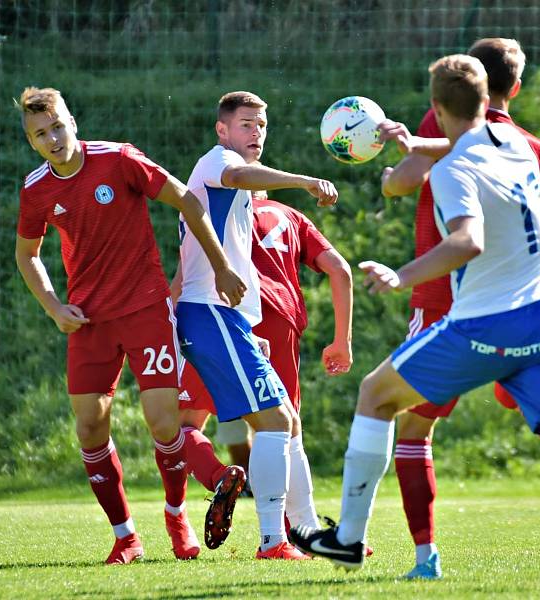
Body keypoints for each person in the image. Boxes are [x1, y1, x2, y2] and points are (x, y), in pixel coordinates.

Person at [290, 55, 540, 589]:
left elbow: (468, 241)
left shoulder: (452, 173)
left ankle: (349, 539)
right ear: (489, 102)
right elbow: (461, 143)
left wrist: (401, 276)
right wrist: (412, 145)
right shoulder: (520, 148)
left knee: (376, 394)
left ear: (437, 109)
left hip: (484, 327)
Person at [374, 37, 540, 579]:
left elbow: (401, 187)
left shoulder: (446, 121)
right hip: (530, 302)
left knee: (410, 428)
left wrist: (398, 160)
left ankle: (425, 560)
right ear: (516, 87)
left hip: (445, 297)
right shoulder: (534, 148)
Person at [14, 87, 246, 564]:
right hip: (88, 321)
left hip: (144, 309)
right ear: (32, 141)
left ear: (71, 120)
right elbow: (26, 254)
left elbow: (186, 200)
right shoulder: (37, 189)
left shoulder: (119, 160)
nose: (53, 138)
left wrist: (221, 267)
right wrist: (54, 306)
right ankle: (125, 537)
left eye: (57, 126)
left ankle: (176, 514)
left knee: (165, 422)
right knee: (89, 427)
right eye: (41, 134)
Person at [174, 91, 339, 560]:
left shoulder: (236, 193)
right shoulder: (217, 163)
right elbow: (240, 173)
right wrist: (305, 180)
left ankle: (295, 535)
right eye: (246, 124)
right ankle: (275, 540)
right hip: (210, 315)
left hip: (226, 319)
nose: (256, 133)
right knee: (274, 421)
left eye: (262, 126)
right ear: (222, 130)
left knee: (282, 422)